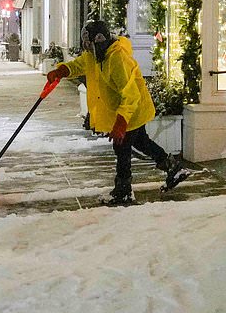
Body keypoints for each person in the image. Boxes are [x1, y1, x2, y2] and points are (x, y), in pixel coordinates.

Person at [45, 19, 186, 206]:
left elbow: (130, 95)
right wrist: (63, 70)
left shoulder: (117, 59)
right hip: (127, 110)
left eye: (90, 46)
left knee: (122, 147)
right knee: (141, 142)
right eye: (85, 46)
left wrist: (120, 123)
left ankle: (123, 191)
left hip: (132, 109)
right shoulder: (96, 56)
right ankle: (173, 168)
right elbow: (81, 64)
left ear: (100, 42)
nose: (88, 50)